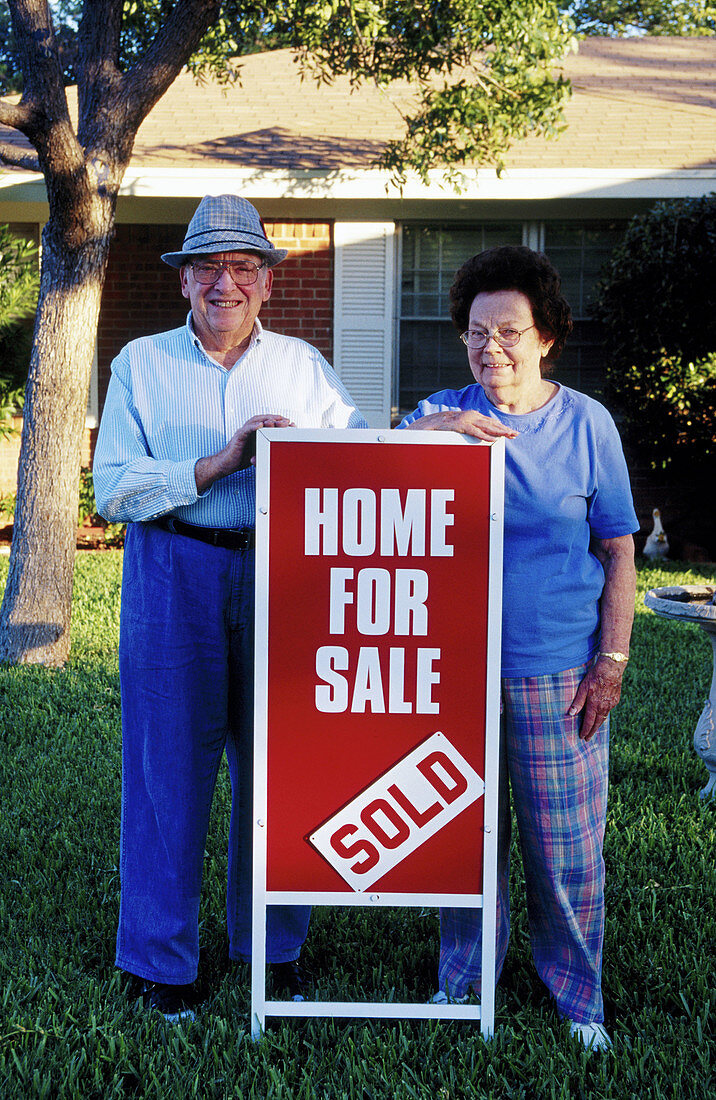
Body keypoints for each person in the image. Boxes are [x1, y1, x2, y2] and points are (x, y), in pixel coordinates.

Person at [93, 194, 366, 1023]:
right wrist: (225, 460)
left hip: (285, 574)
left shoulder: (303, 365)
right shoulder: (140, 362)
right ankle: (160, 964)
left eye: (242, 266)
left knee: (281, 771)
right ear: (182, 282)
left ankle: (271, 956)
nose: (225, 282)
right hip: (173, 567)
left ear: (267, 284)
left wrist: (443, 429)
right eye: (208, 266)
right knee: (165, 771)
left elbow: (359, 456)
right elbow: (113, 490)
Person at [399, 245, 637, 1052]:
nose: (490, 347)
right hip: (450, 672)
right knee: (463, 841)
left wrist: (611, 661)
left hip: (556, 668)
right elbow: (374, 462)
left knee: (564, 845)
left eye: (508, 330)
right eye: (475, 332)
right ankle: (461, 984)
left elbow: (620, 551)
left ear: (546, 336)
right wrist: (441, 427)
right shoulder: (442, 408)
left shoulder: (588, 423)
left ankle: (578, 999)